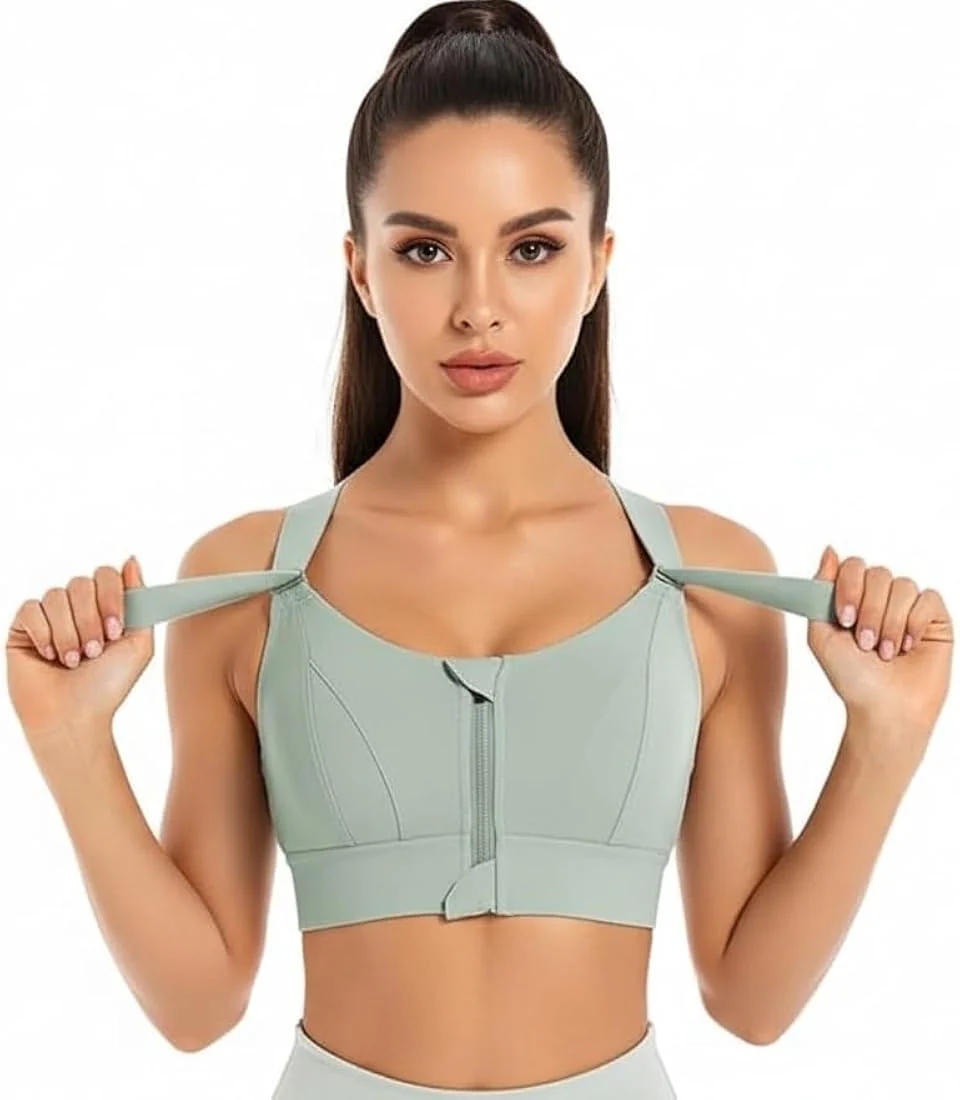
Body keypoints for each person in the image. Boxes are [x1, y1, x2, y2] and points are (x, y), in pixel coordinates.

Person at [5, 2, 953, 1097]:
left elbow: (752, 999)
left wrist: (887, 736)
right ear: (361, 271)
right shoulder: (245, 580)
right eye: (425, 250)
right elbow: (197, 1006)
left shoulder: (709, 579)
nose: (478, 308)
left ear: (597, 266)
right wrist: (72, 742)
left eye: (532, 248)